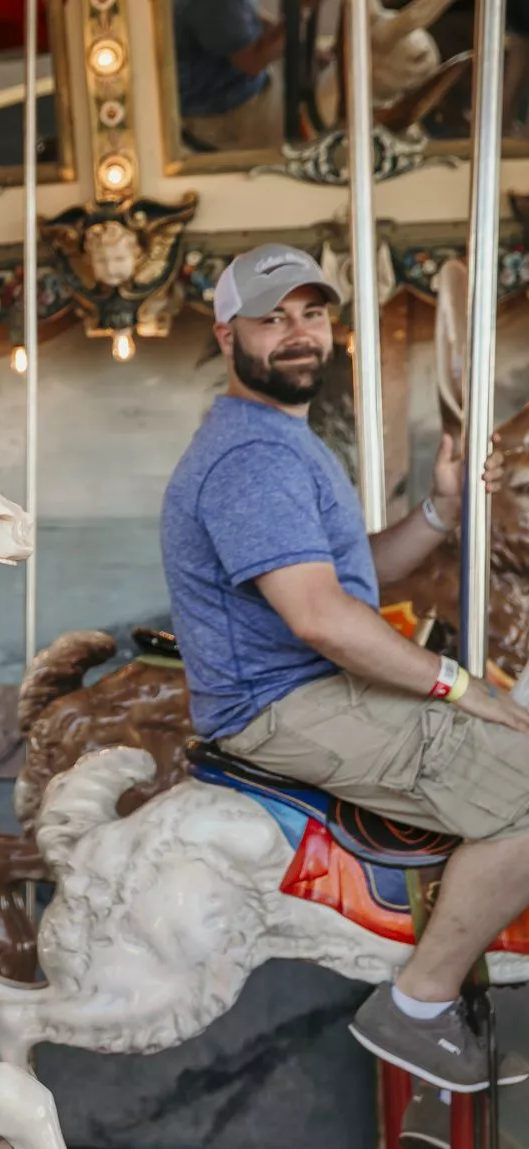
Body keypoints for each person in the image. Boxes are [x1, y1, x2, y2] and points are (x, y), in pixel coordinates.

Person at [161, 244, 529, 1097]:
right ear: (228, 334)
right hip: (284, 703)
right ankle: (421, 1000)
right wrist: (455, 684)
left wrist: (440, 509)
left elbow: (347, 574)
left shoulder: (280, 442)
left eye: (313, 314)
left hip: (308, 686)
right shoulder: (251, 457)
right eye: (273, 317)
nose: (299, 334)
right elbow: (319, 617)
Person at [174, 0, 285, 152]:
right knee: (306, 142)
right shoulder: (220, 5)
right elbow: (252, 63)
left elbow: (243, 18)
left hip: (230, 88)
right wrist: (299, 16)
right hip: (225, 110)